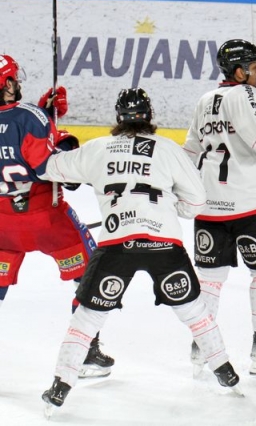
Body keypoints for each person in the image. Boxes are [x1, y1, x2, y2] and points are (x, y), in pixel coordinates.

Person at [41, 88, 240, 412]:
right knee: (195, 313)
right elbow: (197, 201)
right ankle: (226, 373)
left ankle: (59, 387)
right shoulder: (167, 149)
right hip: (164, 244)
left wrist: (53, 130)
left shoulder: (97, 149)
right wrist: (171, 207)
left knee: (88, 317)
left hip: (116, 245)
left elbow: (48, 168)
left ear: (118, 118)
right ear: (149, 117)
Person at [183, 40, 256, 376]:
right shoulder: (243, 95)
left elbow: (190, 152)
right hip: (250, 204)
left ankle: (201, 347)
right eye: (254, 65)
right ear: (239, 71)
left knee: (209, 280)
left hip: (210, 207)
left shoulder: (205, 100)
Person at [0, 54, 113, 377]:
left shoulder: (33, 115)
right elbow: (47, 167)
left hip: (2, 226)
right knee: (91, 272)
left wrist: (47, 117)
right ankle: (86, 353)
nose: (17, 82)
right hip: (45, 220)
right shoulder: (30, 116)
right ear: (7, 84)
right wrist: (63, 142)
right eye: (13, 78)